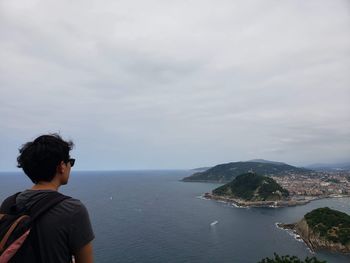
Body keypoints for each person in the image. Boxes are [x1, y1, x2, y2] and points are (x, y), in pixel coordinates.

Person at [0, 134, 94, 263]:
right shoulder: (73, 210)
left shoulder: (8, 203)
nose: (70, 166)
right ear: (61, 166)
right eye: (70, 162)